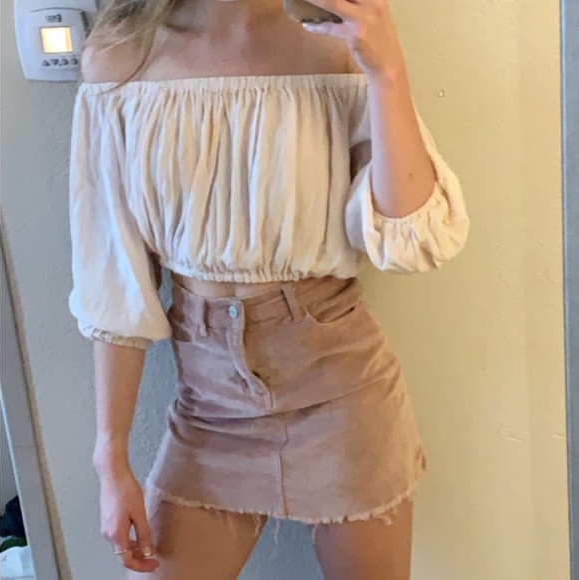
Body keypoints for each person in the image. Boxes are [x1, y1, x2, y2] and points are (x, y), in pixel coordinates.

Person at [68, 0, 469, 577]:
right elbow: (113, 279)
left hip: (340, 391)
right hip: (208, 406)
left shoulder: (337, 47)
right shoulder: (121, 59)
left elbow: (409, 238)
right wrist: (111, 459)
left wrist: (386, 70)